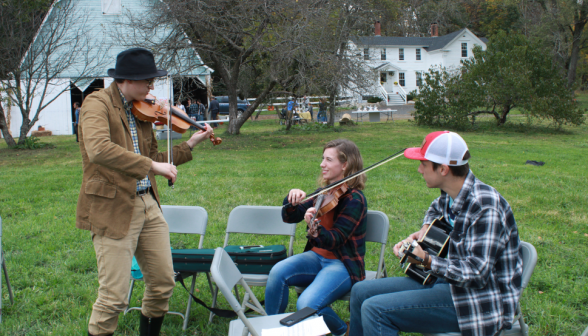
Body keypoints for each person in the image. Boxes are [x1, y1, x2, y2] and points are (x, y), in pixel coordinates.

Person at [76, 47, 214, 336]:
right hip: (112, 207)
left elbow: (157, 159)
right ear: (127, 79)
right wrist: (151, 164)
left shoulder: (142, 109)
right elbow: (99, 150)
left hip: (148, 203)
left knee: (163, 283)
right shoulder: (96, 104)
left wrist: (191, 144)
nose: (153, 87)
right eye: (148, 81)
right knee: (114, 297)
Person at [349, 131, 523, 336]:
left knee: (375, 310)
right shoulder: (451, 194)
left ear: (443, 169)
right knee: (360, 291)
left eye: (423, 164)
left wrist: (428, 261)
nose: (419, 169)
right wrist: (425, 229)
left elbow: (477, 274)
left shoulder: (485, 207)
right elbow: (435, 210)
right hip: (444, 284)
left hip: (476, 302)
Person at [265, 139, 368, 336]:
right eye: (323, 159)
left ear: (345, 164)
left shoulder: (355, 200)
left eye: (328, 160)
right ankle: (272, 329)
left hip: (342, 265)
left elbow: (335, 239)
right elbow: (290, 216)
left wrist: (315, 229)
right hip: (316, 257)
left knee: (307, 303)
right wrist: (291, 199)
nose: (322, 164)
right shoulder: (324, 192)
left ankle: (342, 330)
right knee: (277, 273)